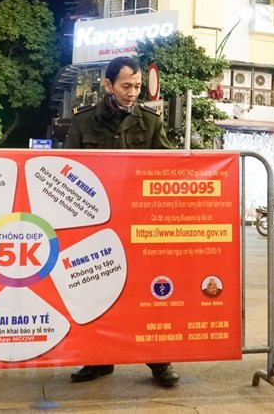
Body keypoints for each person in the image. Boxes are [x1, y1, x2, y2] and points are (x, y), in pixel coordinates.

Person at [64, 56, 179, 388]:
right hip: (94, 227)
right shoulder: (84, 123)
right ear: (108, 85)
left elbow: (168, 170)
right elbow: (67, 171)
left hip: (138, 225)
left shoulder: (151, 122)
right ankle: (99, 359)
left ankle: (159, 362)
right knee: (96, 292)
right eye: (126, 86)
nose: (132, 93)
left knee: (146, 294)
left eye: (138, 86)